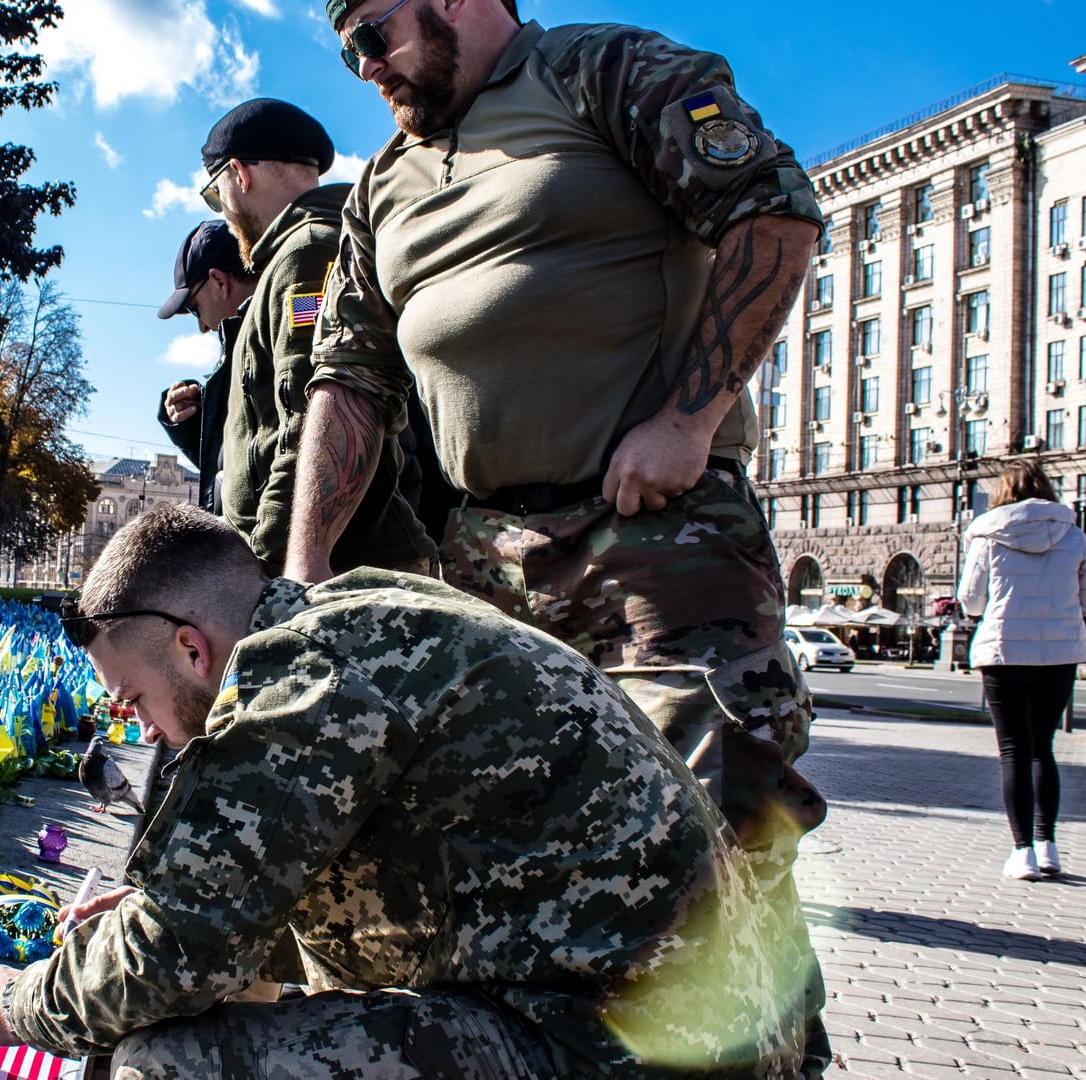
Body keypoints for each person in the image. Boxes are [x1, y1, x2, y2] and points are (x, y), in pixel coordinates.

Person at [292, 0, 829, 1068]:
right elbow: (347, 381)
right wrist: (300, 576)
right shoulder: (383, 191)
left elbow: (773, 213)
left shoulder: (599, 70)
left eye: (376, 30)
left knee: (713, 845)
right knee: (527, 855)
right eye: (345, 44)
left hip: (660, 544)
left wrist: (689, 417)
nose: (363, 65)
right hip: (487, 563)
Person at [0, 504, 807, 1078]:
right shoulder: (358, 621)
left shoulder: (295, 679)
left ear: (193, 650)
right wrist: (195, 905)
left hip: (618, 1054)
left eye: (135, 701)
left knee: (165, 1062)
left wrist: (10, 1000)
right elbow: (342, 874)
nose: (143, 730)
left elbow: (175, 958)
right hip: (687, 1033)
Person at [195, 98, 434, 576]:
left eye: (214, 193)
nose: (222, 211)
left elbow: (308, 426)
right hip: (335, 567)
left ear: (239, 175)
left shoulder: (308, 253)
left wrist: (268, 569)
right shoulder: (304, 251)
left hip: (331, 574)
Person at [957, 460, 1086, 880]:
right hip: (1060, 654)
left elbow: (972, 601)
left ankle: (1022, 853)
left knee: (1014, 750)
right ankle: (1048, 845)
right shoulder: (1074, 537)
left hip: (1003, 654)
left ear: (1002, 493)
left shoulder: (987, 536)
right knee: (1043, 747)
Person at [154, 220, 258, 513]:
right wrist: (193, 424)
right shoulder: (242, 351)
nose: (201, 326)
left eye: (194, 308)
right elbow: (240, 464)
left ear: (219, 282)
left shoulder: (273, 338)